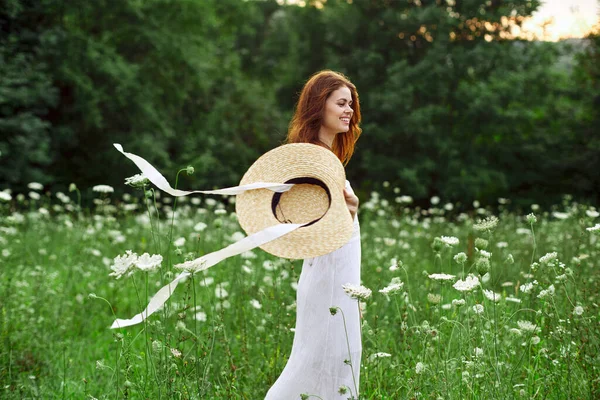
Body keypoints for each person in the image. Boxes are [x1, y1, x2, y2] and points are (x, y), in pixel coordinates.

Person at [265, 70, 363, 399]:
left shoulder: (328, 157)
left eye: (351, 104)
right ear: (319, 106)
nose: (349, 110)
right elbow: (306, 222)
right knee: (316, 361)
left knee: (339, 360)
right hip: (326, 276)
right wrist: (347, 212)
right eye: (340, 103)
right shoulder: (312, 159)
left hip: (341, 275)